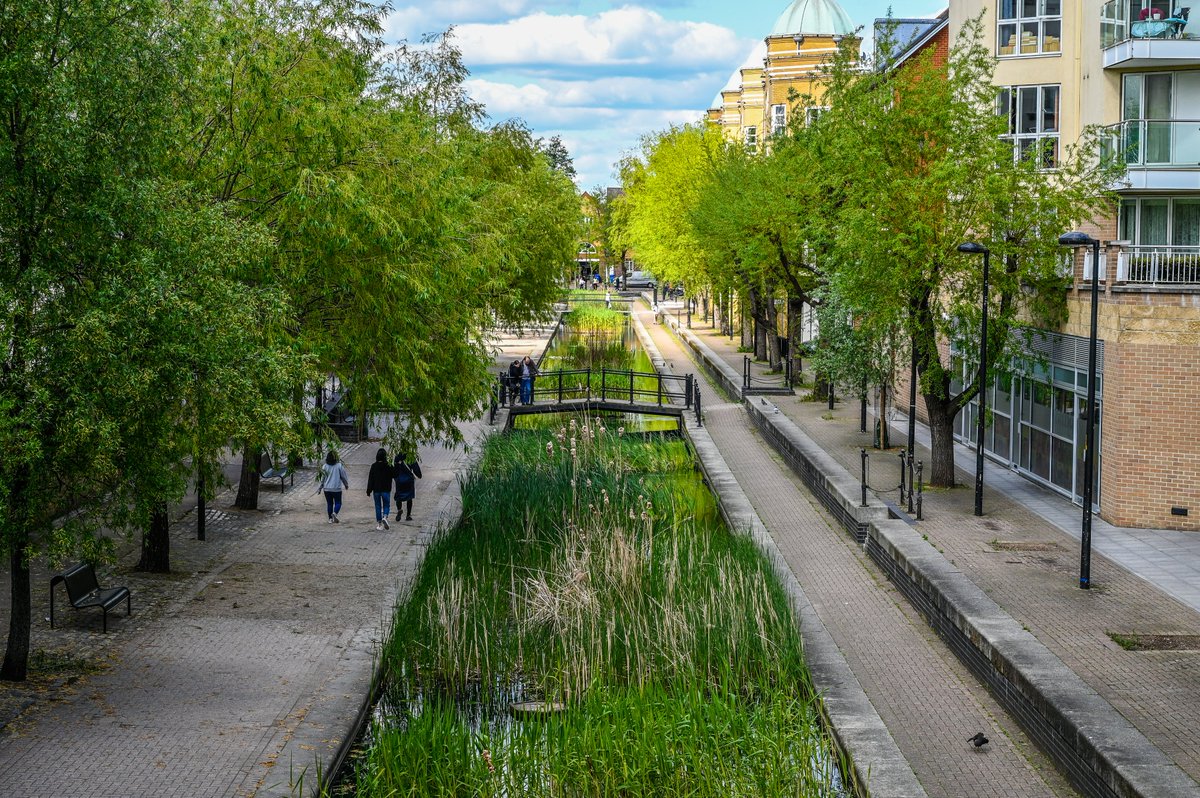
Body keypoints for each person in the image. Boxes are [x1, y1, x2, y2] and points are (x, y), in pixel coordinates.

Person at [366, 447, 393, 530]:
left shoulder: (374, 466)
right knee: (386, 504)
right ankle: (385, 516)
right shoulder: (388, 465)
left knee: (378, 506)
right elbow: (394, 474)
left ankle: (379, 524)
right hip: (386, 489)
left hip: (376, 490)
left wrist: (368, 490)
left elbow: (371, 479)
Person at [319, 450, 349, 524]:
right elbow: (343, 477)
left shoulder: (324, 466)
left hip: (327, 489)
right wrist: (346, 484)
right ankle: (335, 513)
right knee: (338, 502)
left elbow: (322, 479)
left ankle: (330, 519)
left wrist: (320, 488)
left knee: (329, 504)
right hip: (336, 488)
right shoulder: (339, 466)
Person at [393, 452, 422, 521]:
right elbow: (415, 468)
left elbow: (395, 468)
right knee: (409, 498)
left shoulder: (397, 457)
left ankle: (399, 509)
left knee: (399, 497)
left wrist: (395, 478)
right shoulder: (410, 457)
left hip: (399, 480)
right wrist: (419, 475)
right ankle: (408, 515)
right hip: (409, 480)